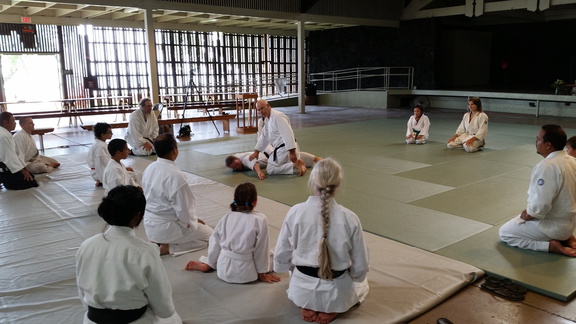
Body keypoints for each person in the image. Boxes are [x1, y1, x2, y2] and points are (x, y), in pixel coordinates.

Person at [274, 158, 370, 323]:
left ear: (313, 181)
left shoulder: (296, 212)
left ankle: (307, 303)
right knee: (362, 281)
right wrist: (356, 276)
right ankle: (331, 307)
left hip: (302, 286)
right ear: (338, 184)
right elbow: (361, 264)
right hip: (336, 291)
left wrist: (287, 268)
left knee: (294, 269)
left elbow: (282, 253)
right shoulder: (349, 218)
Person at [76, 185, 182, 324]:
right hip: (134, 320)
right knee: (173, 318)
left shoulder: (87, 245)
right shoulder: (145, 251)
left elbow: (82, 290)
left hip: (92, 319)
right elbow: (164, 307)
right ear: (138, 215)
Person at [499, 125, 576, 257]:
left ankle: (550, 246)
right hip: (569, 224)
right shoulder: (572, 161)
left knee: (505, 232)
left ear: (548, 145)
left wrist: (529, 214)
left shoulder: (546, 166)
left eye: (538, 139)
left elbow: (541, 205)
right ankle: (566, 237)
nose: (536, 142)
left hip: (552, 228)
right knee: (520, 219)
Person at [185, 182, 281, 284]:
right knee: (276, 256)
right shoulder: (260, 219)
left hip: (222, 268)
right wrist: (262, 274)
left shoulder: (227, 216)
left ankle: (209, 265)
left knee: (222, 249)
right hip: (245, 272)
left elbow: (215, 241)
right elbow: (261, 249)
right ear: (255, 201)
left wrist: (210, 262)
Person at [141, 134, 213, 255]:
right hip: (167, 228)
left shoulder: (149, 168)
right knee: (212, 236)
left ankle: (160, 240)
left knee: (195, 227)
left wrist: (193, 220)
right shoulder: (176, 176)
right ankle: (170, 248)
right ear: (175, 149)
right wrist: (193, 222)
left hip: (149, 224)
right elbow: (184, 210)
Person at [249, 99, 306, 176]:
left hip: (285, 149)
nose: (261, 112)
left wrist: (292, 152)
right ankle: (297, 164)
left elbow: (288, 134)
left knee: (270, 169)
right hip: (282, 149)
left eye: (262, 108)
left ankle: (295, 165)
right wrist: (256, 152)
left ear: (268, 106)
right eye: (258, 110)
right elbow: (264, 137)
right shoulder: (267, 120)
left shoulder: (278, 116)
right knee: (278, 164)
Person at [225, 146, 322, 180]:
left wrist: (259, 172)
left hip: (270, 155)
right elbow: (230, 161)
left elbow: (254, 163)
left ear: (237, 159)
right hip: (271, 153)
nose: (238, 167)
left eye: (237, 164)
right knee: (291, 156)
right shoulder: (235, 158)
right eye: (235, 168)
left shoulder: (245, 158)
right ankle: (315, 159)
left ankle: (296, 164)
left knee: (272, 169)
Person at [0, 112, 38, 190]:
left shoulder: (5, 133)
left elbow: (16, 153)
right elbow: (10, 157)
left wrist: (24, 167)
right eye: (13, 120)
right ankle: (4, 180)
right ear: (5, 123)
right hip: (4, 168)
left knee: (31, 176)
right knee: (31, 182)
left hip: (9, 165)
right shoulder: (3, 136)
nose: (15, 123)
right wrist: (22, 171)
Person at [87, 122, 112, 187]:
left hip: (100, 171)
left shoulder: (100, 144)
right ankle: (100, 179)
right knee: (129, 175)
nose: (112, 134)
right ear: (103, 135)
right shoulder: (100, 147)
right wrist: (103, 180)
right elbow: (100, 165)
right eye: (109, 132)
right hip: (99, 172)